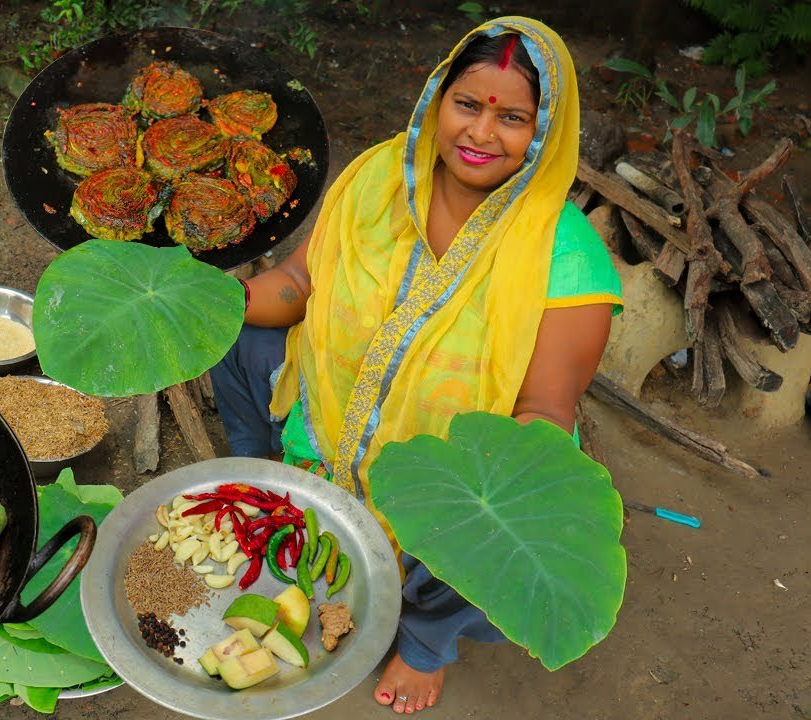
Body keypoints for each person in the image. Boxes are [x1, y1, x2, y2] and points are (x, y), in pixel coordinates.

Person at [209, 17, 622, 715]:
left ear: (545, 131)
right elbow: (296, 288)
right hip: (332, 408)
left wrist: (492, 492)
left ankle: (426, 641)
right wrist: (209, 301)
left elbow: (547, 412)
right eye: (468, 105)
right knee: (233, 341)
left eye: (513, 118)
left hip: (439, 469)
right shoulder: (377, 179)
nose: (481, 134)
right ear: (438, 99)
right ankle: (269, 488)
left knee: (500, 516)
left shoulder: (567, 255)